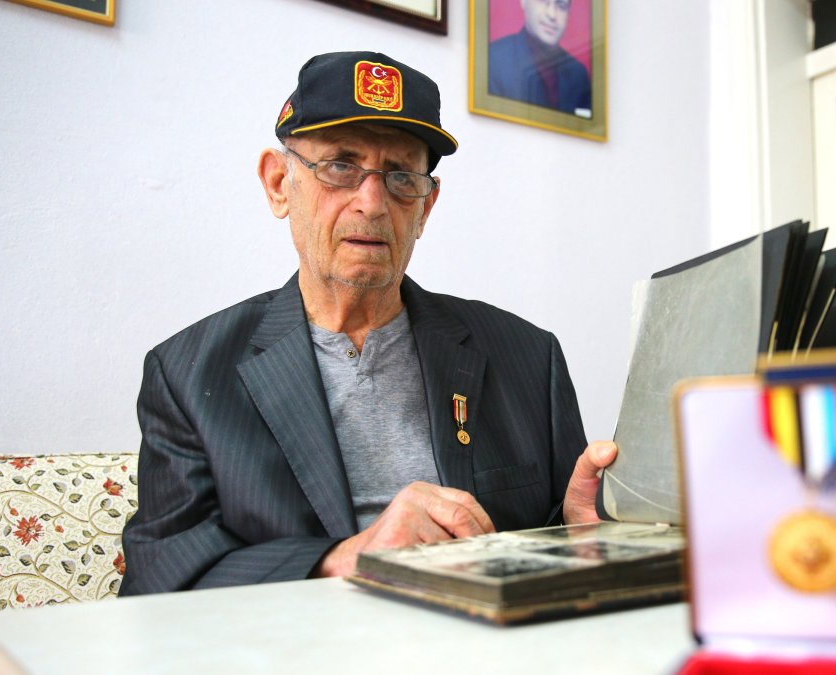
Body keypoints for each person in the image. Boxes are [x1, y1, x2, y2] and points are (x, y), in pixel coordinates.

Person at [118, 51, 616, 594]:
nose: (372, 202)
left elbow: (564, 546)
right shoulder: (188, 372)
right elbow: (160, 573)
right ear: (279, 183)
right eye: (340, 166)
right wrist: (344, 558)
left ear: (426, 206)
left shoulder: (526, 355)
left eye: (401, 175)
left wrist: (581, 536)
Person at [488, 0, 591, 115]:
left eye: (561, 6)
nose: (552, 14)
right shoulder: (493, 61)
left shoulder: (578, 74)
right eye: (543, 1)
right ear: (523, 2)